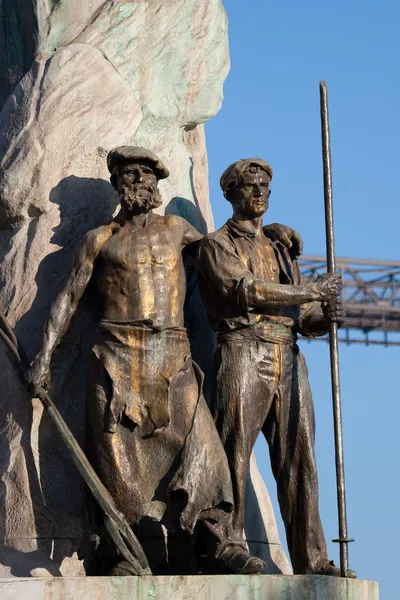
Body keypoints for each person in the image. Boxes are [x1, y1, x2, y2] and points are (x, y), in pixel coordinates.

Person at [28, 147, 268, 576]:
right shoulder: (100, 239)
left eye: (147, 173)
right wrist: (43, 358)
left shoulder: (178, 230)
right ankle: (123, 552)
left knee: (204, 448)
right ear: (118, 184)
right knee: (118, 461)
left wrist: (272, 232)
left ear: (158, 183)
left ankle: (216, 543)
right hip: (117, 354)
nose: (139, 180)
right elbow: (66, 301)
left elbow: (225, 252)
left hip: (172, 354)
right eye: (129, 174)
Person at [196, 157, 355, 577]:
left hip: (287, 355)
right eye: (251, 185)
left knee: (301, 460)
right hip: (243, 349)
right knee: (232, 453)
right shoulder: (217, 244)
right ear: (229, 192)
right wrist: (311, 291)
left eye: (266, 185)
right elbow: (245, 291)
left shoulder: (279, 249)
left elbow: (303, 319)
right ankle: (224, 546)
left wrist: (326, 315)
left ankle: (313, 558)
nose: (260, 191)